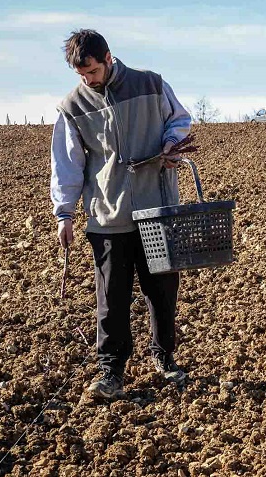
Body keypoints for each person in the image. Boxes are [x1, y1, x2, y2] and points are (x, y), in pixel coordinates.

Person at [50, 29, 192, 399]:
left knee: (162, 290)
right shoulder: (74, 106)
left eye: (93, 71)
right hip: (107, 215)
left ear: (109, 58)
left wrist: (171, 143)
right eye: (81, 75)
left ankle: (165, 358)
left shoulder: (150, 84)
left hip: (157, 207)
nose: (88, 80)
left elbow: (179, 120)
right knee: (111, 298)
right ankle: (111, 371)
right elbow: (67, 164)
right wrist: (64, 213)